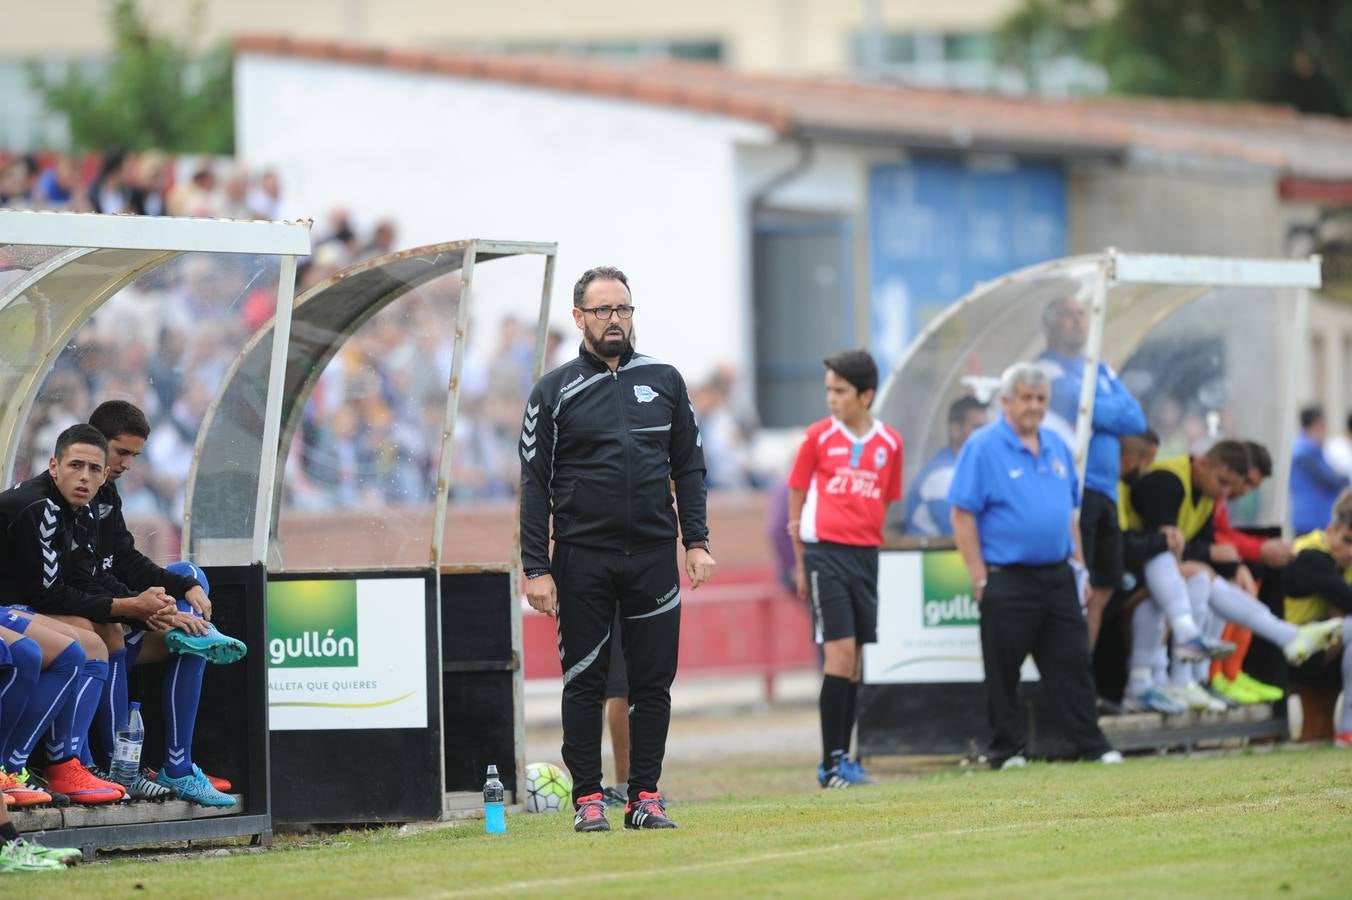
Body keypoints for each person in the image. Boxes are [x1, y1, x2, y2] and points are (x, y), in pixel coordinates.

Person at [519, 266, 714, 832]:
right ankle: (587, 800)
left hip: (653, 554)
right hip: (582, 557)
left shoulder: (666, 380)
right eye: (602, 311)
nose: (614, 320)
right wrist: (536, 567)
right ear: (579, 318)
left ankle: (645, 795)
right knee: (585, 679)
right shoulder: (552, 391)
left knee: (652, 683)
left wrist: (696, 541)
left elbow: (690, 467)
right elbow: (533, 484)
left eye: (622, 310)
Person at [948, 362, 1119, 769]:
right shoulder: (983, 446)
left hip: (1057, 574)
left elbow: (1069, 515)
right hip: (1007, 576)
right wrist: (979, 576)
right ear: (1005, 401)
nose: (1033, 406)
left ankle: (1090, 743)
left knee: (1073, 661)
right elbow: (963, 515)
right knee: (1003, 669)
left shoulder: (1058, 445)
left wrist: (1079, 568)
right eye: (1025, 397)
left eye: (1040, 399)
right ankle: (1006, 750)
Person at [0, 424, 173, 805]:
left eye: (95, 469)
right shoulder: (37, 506)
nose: (85, 476)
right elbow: (48, 592)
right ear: (53, 466)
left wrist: (143, 605)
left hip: (22, 606)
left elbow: (85, 578)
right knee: (74, 649)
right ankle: (21, 767)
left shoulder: (78, 509)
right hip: (12, 607)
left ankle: (85, 763)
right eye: (76, 465)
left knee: (103, 637)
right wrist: (130, 606)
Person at [87, 400, 244, 806]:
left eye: (134, 456)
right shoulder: (65, 498)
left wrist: (177, 589)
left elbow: (124, 559)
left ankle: (177, 765)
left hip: (110, 614)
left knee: (193, 578)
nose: (126, 464)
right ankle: (131, 766)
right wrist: (145, 607)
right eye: (121, 452)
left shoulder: (105, 494)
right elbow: (75, 580)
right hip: (89, 624)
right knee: (129, 632)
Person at [787, 350, 902, 788]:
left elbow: (886, 499)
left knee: (854, 660)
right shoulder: (817, 438)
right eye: (828, 390)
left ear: (866, 394)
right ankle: (830, 763)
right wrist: (800, 562)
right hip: (823, 554)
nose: (831, 398)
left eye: (840, 391)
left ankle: (845, 759)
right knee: (838, 652)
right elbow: (796, 497)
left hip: (864, 555)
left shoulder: (889, 443)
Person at [1036, 294, 1146, 649]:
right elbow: (1086, 410)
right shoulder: (1046, 371)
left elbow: (1136, 419)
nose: (1078, 321)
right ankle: (1065, 676)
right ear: (1050, 326)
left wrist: (1101, 412)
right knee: (1076, 586)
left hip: (1107, 491)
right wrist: (1102, 412)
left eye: (1082, 314)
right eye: (1068, 315)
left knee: (1102, 587)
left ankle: (1084, 675)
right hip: (1076, 491)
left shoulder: (1099, 368)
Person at [1281, 487, 1352, 746]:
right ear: (1331, 530)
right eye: (1348, 540)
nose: (1351, 552)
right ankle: (1347, 729)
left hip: (1312, 652)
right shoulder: (1311, 555)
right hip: (1282, 652)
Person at [901, 396, 986, 538]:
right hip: (932, 557)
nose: (985, 435)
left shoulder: (969, 468)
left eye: (987, 428)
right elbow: (960, 534)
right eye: (977, 428)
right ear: (955, 430)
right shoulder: (942, 475)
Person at [1290, 406, 1349, 536]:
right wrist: (1345, 478)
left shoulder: (1312, 449)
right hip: (1311, 519)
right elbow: (1329, 479)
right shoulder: (1305, 452)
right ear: (1317, 424)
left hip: (1315, 517)